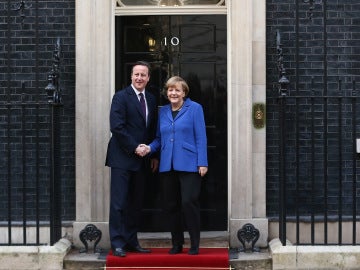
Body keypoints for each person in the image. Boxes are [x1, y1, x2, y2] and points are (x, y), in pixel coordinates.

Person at [137, 76, 208, 255]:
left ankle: (194, 244)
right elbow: (159, 139)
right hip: (167, 165)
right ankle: (177, 244)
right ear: (167, 92)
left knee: (188, 202)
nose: (173, 93)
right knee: (171, 205)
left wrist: (202, 162)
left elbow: (201, 137)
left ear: (184, 92)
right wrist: (148, 148)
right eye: (170, 90)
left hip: (190, 164)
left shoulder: (195, 108)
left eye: (177, 90)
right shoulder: (163, 112)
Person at [105, 61, 158, 257]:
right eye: (136, 74)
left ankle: (131, 241)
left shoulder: (151, 99)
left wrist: (153, 153)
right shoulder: (120, 97)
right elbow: (117, 127)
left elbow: (152, 129)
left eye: (143, 75)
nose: (139, 78)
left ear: (148, 78)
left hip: (143, 159)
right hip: (122, 158)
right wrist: (135, 147)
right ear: (131, 76)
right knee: (119, 203)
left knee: (136, 203)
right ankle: (117, 243)